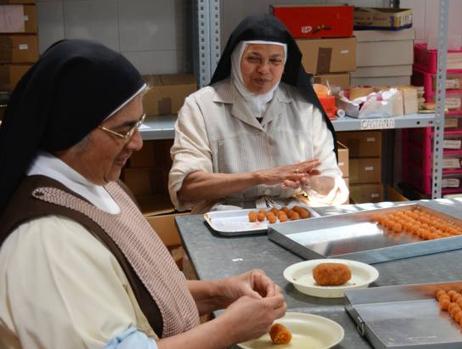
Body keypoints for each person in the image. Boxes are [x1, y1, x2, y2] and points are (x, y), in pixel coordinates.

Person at [0, 39, 286, 349]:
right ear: (71, 128)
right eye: (123, 129)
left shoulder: (96, 184)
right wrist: (228, 329)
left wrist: (219, 292)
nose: (137, 143)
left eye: (139, 124)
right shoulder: (47, 239)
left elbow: (133, 293)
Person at [169, 15, 349, 213]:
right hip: (223, 217)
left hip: (291, 214)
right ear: (236, 58)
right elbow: (187, 188)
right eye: (253, 58)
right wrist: (259, 177)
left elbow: (333, 183)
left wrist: (312, 182)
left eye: (275, 60)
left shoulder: (305, 108)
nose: (264, 69)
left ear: (285, 64)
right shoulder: (200, 107)